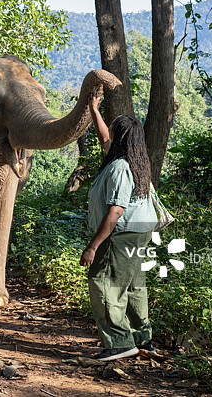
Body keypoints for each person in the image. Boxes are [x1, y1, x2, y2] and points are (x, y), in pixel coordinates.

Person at [79, 89, 158, 361]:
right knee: (135, 284)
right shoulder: (136, 162)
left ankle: (120, 342)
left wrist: (93, 246)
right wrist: (94, 109)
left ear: (120, 139)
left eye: (114, 131)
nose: (109, 135)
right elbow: (104, 137)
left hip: (122, 234)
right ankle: (141, 339)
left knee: (104, 282)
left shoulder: (119, 168)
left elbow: (115, 212)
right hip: (141, 232)